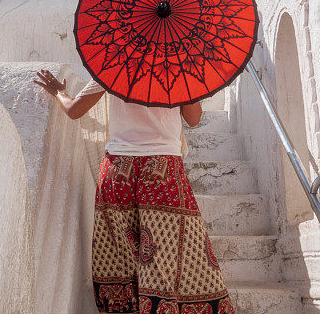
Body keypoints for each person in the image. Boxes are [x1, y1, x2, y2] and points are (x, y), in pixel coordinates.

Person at [34, 68, 236, 314]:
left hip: (119, 171)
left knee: (121, 262)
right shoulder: (178, 67)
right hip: (163, 173)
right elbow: (194, 119)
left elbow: (75, 110)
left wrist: (59, 91)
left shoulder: (115, 64)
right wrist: (187, 82)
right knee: (166, 263)